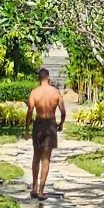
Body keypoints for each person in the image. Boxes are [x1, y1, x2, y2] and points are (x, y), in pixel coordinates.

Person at [25, 67, 66, 197]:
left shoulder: (34, 93)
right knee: (46, 158)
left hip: (38, 124)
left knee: (36, 156)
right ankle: (41, 191)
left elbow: (30, 111)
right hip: (50, 125)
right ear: (48, 78)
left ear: (39, 79)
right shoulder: (55, 92)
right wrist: (61, 124)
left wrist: (27, 129)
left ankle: (34, 188)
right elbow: (63, 112)